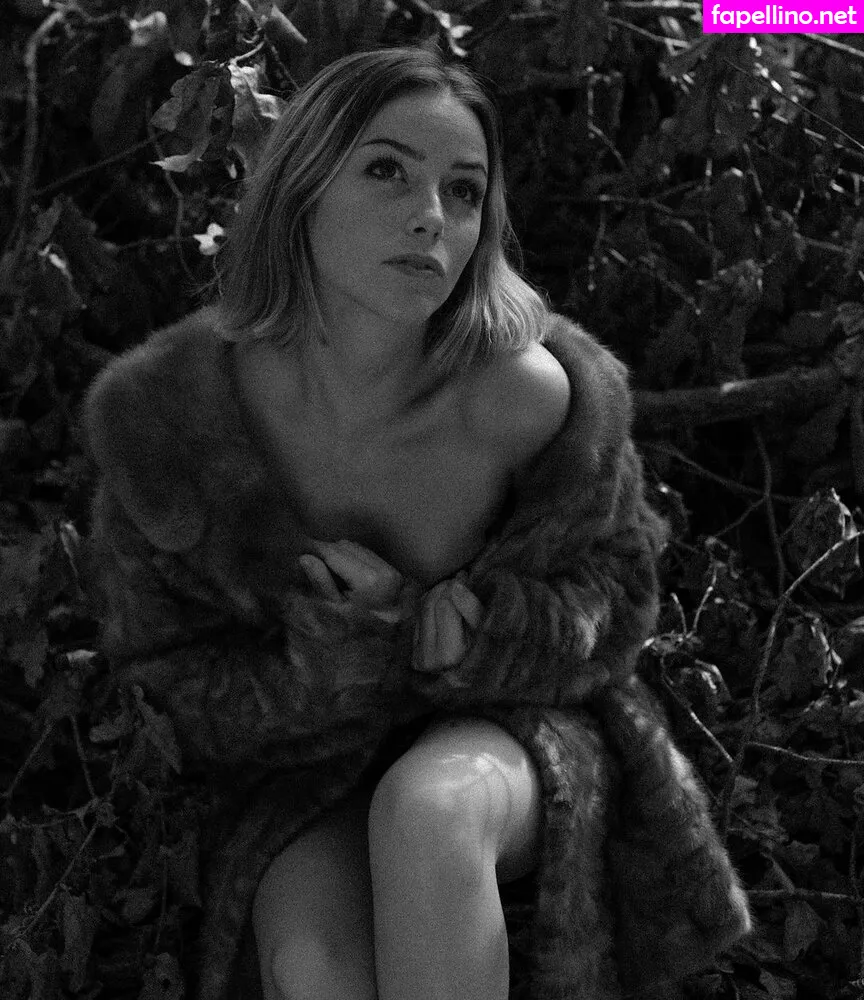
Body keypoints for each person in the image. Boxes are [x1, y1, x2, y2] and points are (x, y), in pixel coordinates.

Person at [83, 47, 751, 1000]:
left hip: (507, 731)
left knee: (431, 814)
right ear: (303, 188)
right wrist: (343, 655)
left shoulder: (524, 396)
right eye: (387, 170)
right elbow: (167, 685)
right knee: (314, 970)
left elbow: (619, 595)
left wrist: (488, 633)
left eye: (464, 190)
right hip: (299, 768)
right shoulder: (171, 418)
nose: (433, 215)